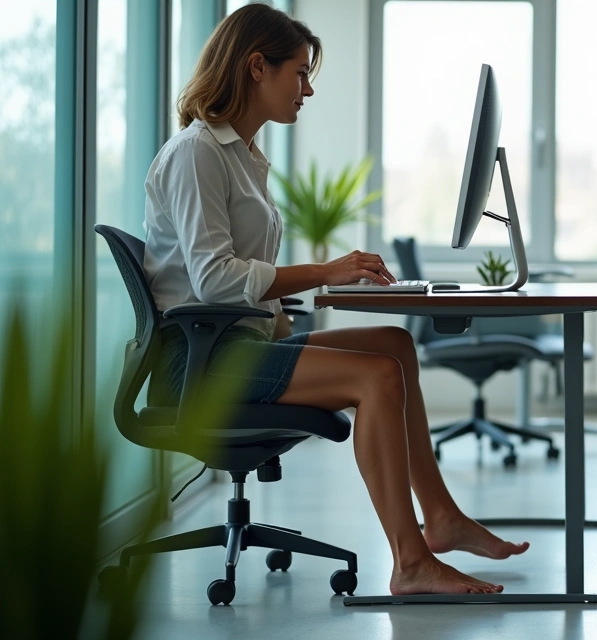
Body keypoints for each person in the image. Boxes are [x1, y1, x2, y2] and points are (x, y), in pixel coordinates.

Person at [143, 4, 527, 596]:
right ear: (255, 68)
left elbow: (226, 279)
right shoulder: (197, 153)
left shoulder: (240, 157)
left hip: (238, 344)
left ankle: (442, 518)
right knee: (375, 379)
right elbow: (217, 281)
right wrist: (325, 271)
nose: (308, 88)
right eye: (298, 72)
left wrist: (313, 292)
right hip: (200, 365)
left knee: (395, 346)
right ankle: (411, 561)